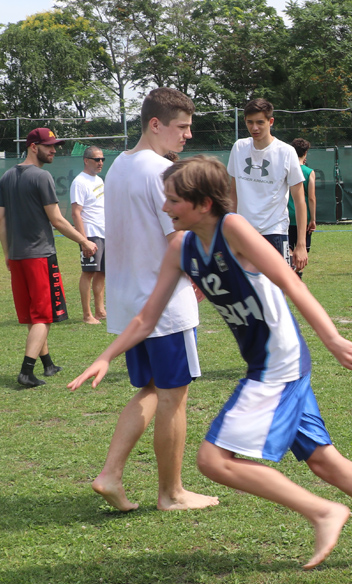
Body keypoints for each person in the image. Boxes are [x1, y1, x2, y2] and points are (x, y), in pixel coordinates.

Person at [68, 155, 352, 577]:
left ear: (203, 203)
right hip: (265, 362)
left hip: (278, 361)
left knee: (213, 461)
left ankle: (323, 512)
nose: (164, 207)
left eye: (173, 200)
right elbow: (146, 318)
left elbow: (288, 281)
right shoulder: (180, 248)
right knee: (324, 462)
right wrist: (105, 357)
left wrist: (333, 339)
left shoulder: (233, 229)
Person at [97, 87, 218, 512]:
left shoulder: (118, 166)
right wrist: (202, 278)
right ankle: (172, 493)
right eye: (181, 127)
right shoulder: (161, 171)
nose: (187, 135)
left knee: (151, 389)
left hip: (130, 302)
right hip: (163, 305)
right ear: (155, 124)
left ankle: (110, 474)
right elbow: (178, 240)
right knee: (173, 396)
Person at [0, 128, 97, 388]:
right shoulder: (41, 176)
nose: (54, 150)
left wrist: (7, 254)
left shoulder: (7, 176)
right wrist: (84, 240)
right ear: (34, 147)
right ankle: (26, 372)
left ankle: (48, 363)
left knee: (33, 315)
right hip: (40, 256)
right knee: (43, 316)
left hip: (17, 257)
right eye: (49, 146)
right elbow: (57, 220)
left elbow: (2, 220)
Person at [227, 98, 307, 273]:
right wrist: (229, 231)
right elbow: (233, 193)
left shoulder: (286, 152)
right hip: (243, 232)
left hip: (274, 232)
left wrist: (301, 244)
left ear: (271, 121)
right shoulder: (239, 148)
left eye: (260, 122)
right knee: (244, 286)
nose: (254, 128)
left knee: (278, 286)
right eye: (250, 122)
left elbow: (300, 201)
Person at [69, 146, 107, 324]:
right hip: (90, 234)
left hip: (104, 232)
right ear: (86, 160)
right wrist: (84, 241)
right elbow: (76, 213)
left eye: (102, 159)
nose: (100, 163)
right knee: (88, 273)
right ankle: (87, 315)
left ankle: (100, 311)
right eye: (96, 159)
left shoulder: (99, 180)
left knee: (102, 272)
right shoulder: (79, 182)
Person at [290, 138, 316, 279]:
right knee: (302, 250)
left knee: (287, 249)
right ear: (305, 153)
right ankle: (296, 276)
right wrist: (313, 219)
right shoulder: (309, 172)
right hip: (302, 217)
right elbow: (311, 198)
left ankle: (289, 272)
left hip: (286, 216)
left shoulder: (287, 169)